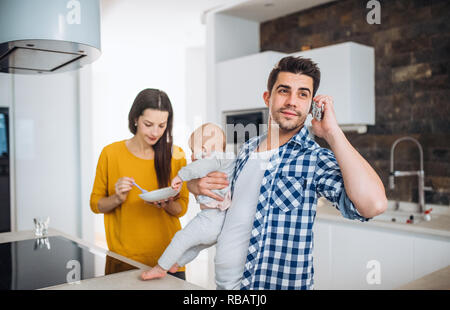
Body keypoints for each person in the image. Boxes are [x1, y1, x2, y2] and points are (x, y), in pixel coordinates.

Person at [187, 56, 388, 289]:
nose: (292, 101)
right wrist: (195, 186)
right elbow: (222, 201)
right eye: (284, 91)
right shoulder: (247, 149)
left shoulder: (314, 158)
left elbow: (373, 204)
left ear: (311, 103)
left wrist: (332, 132)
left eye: (303, 94)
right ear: (267, 97)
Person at [90, 88, 189, 280]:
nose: (155, 132)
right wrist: (117, 198)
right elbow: (96, 205)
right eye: (148, 124)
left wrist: (166, 203)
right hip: (123, 260)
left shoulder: (176, 155)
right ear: (135, 119)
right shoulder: (110, 153)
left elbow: (182, 208)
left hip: (169, 259)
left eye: (162, 126)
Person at [141, 123, 235, 280]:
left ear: (205, 149)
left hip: (210, 218)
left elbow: (199, 166)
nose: (191, 156)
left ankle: (160, 267)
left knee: (181, 238)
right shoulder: (225, 162)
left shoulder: (216, 158)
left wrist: (180, 175)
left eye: (193, 151)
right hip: (220, 223)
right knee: (196, 246)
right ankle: (177, 263)